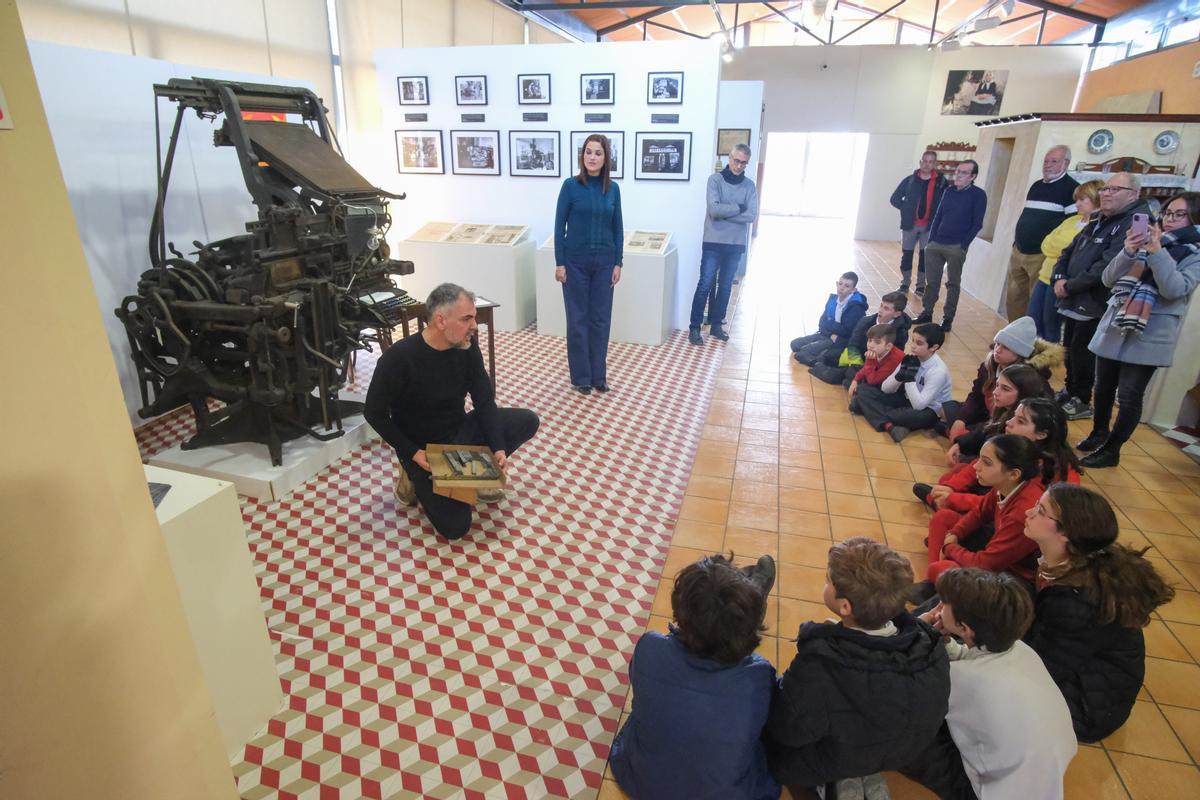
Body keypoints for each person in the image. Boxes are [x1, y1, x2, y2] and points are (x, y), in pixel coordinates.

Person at [765, 538, 950, 796]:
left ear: (845, 606)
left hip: (843, 755)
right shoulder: (931, 645)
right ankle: (860, 774)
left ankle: (828, 785)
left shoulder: (820, 662)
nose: (825, 583)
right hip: (900, 755)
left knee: (772, 750)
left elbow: (786, 729)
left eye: (828, 581)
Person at [364, 284, 540, 540]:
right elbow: (374, 413)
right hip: (424, 452)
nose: (474, 326)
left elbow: (484, 401)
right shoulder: (399, 359)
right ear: (440, 320)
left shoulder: (467, 349)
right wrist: (412, 453)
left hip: (458, 435)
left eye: (475, 318)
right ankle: (411, 477)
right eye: (467, 318)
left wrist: (498, 447)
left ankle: (473, 476)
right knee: (456, 528)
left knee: (527, 421)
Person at [609, 553, 780, 800]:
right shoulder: (759, 675)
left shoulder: (649, 646)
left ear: (678, 609)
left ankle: (746, 594)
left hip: (644, 782)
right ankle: (750, 595)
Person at [902, 568, 1077, 799]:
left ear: (964, 628)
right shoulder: (1020, 649)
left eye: (943, 605)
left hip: (992, 792)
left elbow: (906, 687)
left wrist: (917, 633)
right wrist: (946, 643)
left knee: (902, 733)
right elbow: (974, 659)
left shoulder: (963, 680)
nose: (938, 608)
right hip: (1043, 771)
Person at [1023, 484, 1176, 742]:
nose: (1028, 512)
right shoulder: (1076, 562)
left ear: (1066, 534)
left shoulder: (1076, 601)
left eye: (1040, 510)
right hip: (1083, 676)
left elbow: (1043, 668)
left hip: (1087, 707)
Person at [1078, 191, 1200, 467]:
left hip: (1149, 331)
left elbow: (1175, 288)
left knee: (1130, 396)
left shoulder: (1194, 253)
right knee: (1103, 386)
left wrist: (1157, 254)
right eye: (1168, 213)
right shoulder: (1144, 242)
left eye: (1179, 215)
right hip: (1117, 321)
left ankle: (1112, 450)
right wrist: (1129, 250)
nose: (1170, 220)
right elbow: (1109, 278)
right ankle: (1098, 433)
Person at [1051, 172, 1148, 420]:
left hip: (1096, 300)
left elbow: (1111, 265)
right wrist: (1059, 276)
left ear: (1133, 195)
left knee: (1083, 352)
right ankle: (1070, 391)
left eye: (1114, 190)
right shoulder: (1099, 218)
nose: (1106, 193)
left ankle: (1082, 399)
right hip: (1074, 296)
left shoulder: (1138, 221)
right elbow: (1069, 250)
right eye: (1105, 189)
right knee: (1070, 348)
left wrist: (1070, 285)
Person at [917, 434, 1043, 596]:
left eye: (986, 462)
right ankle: (936, 584)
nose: (976, 466)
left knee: (942, 567)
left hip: (1015, 578)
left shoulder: (1023, 512)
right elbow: (980, 513)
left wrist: (949, 548)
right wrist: (956, 533)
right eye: (980, 459)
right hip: (995, 552)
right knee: (943, 519)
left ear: (1014, 474)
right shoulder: (1006, 485)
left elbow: (985, 564)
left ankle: (939, 583)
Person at [917, 397, 1082, 514]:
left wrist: (955, 499)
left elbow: (1003, 505)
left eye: (1021, 421)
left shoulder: (1050, 469)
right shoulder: (1017, 443)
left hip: (1019, 521)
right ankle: (943, 502)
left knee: (946, 518)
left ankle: (945, 506)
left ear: (1041, 434)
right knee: (957, 474)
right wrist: (951, 489)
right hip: (995, 498)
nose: (1009, 423)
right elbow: (979, 462)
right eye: (1014, 417)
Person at [554, 133, 624, 394]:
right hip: (574, 263)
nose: (592, 157)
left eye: (598, 153)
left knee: (600, 320)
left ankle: (599, 376)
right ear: (582, 156)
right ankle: (582, 377)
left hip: (605, 263)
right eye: (588, 152)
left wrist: (618, 262)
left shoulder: (613, 189)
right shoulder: (570, 186)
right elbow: (559, 225)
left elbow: (618, 228)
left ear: (606, 158)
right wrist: (560, 262)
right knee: (577, 320)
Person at [940, 316, 1061, 441]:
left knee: (969, 437)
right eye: (997, 344)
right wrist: (961, 419)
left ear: (1020, 353)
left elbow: (1023, 419)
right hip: (987, 414)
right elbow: (976, 396)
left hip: (1007, 424)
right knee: (946, 410)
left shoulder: (1030, 380)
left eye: (1006, 347)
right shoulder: (988, 365)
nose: (997, 350)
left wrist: (974, 431)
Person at [688, 143, 759, 345]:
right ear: (730, 158)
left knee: (726, 286)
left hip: (735, 244)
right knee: (705, 284)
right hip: (713, 241)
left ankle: (717, 325)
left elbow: (751, 215)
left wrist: (725, 213)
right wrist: (738, 207)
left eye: (743, 163)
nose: (738, 166)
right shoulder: (715, 180)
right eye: (736, 161)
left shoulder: (749, 186)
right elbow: (714, 211)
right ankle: (694, 327)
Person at [1004, 146, 1079, 321]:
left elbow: (1073, 227)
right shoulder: (1037, 186)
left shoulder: (1072, 190)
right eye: (1046, 161)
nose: (1048, 165)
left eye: (1054, 161)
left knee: (1034, 303)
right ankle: (1011, 339)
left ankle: (1030, 342)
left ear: (1066, 163)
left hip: (1041, 255)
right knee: (1014, 298)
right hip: (1019, 250)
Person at [917, 160, 986, 333]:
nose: (958, 175)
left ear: (973, 176)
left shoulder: (979, 195)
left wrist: (963, 245)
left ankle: (947, 319)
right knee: (931, 281)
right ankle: (927, 312)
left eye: (963, 172)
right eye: (957, 172)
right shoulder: (949, 191)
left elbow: (977, 224)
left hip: (956, 246)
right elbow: (938, 216)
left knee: (953, 283)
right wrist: (931, 240)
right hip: (936, 243)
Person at [1029, 180, 1103, 342]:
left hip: (1061, 282)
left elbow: (1074, 253)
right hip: (1044, 277)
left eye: (1082, 200)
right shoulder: (1071, 221)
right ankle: (1030, 361)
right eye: (1076, 199)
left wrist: (1062, 250)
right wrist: (1062, 250)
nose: (1077, 204)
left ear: (1096, 199)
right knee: (1033, 321)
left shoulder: (1096, 226)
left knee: (1051, 327)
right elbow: (1046, 244)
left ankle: (1045, 364)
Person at [855, 322, 952, 442]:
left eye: (919, 343)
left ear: (934, 347)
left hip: (929, 410)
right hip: (907, 398)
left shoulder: (938, 371)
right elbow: (886, 388)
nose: (913, 346)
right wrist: (900, 375)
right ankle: (892, 426)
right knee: (863, 390)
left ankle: (881, 416)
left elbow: (919, 405)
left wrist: (909, 378)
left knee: (893, 413)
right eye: (913, 340)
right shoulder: (911, 359)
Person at [810, 291, 910, 386]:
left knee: (841, 377)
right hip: (857, 358)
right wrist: (854, 363)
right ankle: (823, 364)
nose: (880, 310)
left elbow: (892, 359)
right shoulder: (866, 321)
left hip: (874, 366)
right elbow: (853, 344)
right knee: (828, 357)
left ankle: (833, 371)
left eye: (886, 309)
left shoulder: (901, 333)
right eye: (881, 305)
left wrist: (866, 364)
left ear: (897, 314)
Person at [890, 151, 949, 296]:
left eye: (931, 162)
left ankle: (921, 286)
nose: (927, 164)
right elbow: (895, 198)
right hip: (910, 224)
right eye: (925, 161)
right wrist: (905, 209)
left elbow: (947, 202)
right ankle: (905, 283)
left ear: (935, 164)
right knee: (907, 254)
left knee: (925, 256)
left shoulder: (941, 182)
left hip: (929, 226)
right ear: (920, 162)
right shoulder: (910, 180)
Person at [788, 272, 868, 365]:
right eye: (840, 283)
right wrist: (830, 332)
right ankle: (820, 352)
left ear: (853, 290)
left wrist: (829, 325)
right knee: (794, 344)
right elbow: (822, 323)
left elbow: (846, 331)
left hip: (839, 341)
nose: (841, 288)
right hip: (828, 335)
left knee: (803, 352)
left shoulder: (856, 307)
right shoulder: (833, 300)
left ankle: (819, 361)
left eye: (847, 286)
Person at [847, 324, 906, 410]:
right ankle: (861, 398)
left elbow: (873, 381)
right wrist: (855, 380)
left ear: (888, 346)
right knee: (851, 372)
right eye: (870, 340)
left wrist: (870, 360)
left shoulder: (896, 358)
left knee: (861, 391)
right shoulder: (876, 351)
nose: (871, 345)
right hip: (874, 377)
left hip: (888, 391)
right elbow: (865, 369)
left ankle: (862, 400)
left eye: (877, 342)